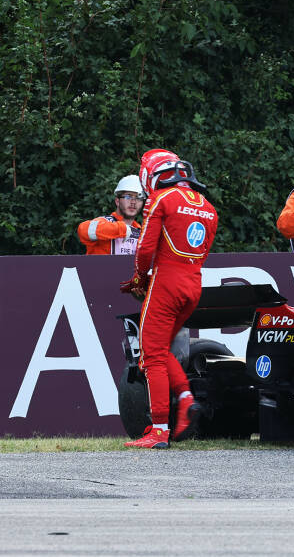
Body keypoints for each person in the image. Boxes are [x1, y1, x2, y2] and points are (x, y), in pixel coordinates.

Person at [119, 149, 218, 449]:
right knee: (161, 350)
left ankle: (159, 430)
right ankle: (187, 400)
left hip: (166, 284)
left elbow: (145, 250)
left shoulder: (161, 199)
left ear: (152, 174)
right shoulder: (209, 208)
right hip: (193, 286)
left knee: (150, 357)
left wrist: (139, 279)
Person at [76, 175, 145, 255]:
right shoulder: (105, 222)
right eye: (128, 196)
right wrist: (120, 229)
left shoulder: (141, 231)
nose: (133, 202)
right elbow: (82, 230)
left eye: (138, 198)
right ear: (117, 201)